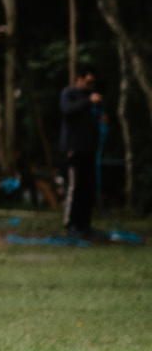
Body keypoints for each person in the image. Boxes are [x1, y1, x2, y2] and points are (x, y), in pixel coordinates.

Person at [59, 68, 103, 236]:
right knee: (73, 187)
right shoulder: (69, 93)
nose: (91, 85)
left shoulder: (92, 97)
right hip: (73, 149)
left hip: (89, 149)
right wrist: (88, 101)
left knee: (87, 188)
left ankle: (84, 225)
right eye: (88, 82)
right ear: (80, 78)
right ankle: (70, 224)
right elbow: (67, 110)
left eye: (92, 83)